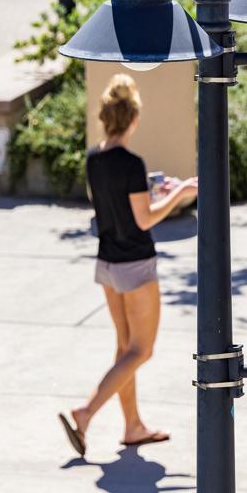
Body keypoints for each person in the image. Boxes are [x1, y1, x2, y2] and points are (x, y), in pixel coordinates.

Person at [58, 74, 198, 456]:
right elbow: (145, 220)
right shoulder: (131, 162)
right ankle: (85, 412)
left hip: (106, 263)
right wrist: (182, 193)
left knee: (124, 348)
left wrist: (153, 190)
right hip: (135, 264)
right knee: (141, 350)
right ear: (133, 118)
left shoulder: (94, 156)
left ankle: (133, 426)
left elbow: (115, 202)